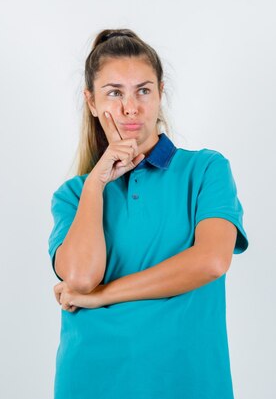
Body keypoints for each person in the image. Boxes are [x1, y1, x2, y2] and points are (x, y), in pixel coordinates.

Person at [47, 28, 249, 399]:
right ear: (91, 102)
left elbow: (211, 261)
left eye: (143, 90)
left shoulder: (205, 170)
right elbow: (79, 278)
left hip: (187, 382)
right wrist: (95, 184)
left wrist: (105, 295)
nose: (130, 107)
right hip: (92, 381)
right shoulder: (73, 196)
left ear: (160, 93)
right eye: (114, 93)